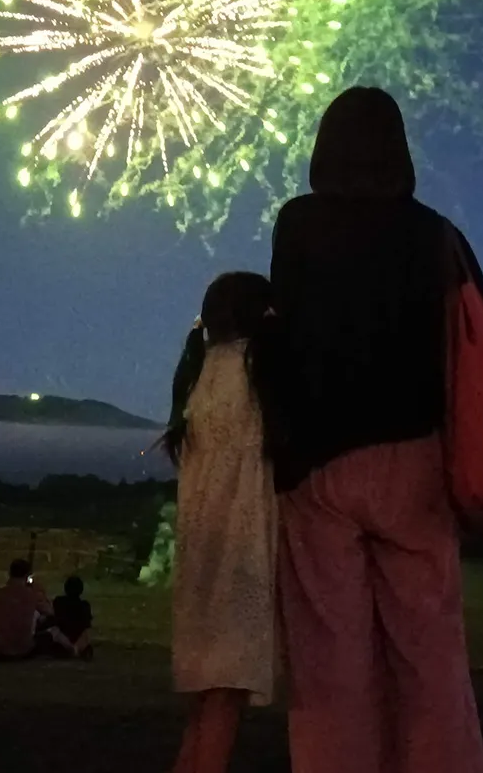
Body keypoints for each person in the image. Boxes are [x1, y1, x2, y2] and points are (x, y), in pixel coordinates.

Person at [270, 87, 483, 773]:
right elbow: (480, 346)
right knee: (431, 657)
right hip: (417, 459)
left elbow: (287, 338)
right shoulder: (437, 236)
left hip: (318, 463)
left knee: (329, 664)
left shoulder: (298, 224)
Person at [164, 272, 285, 773]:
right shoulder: (256, 373)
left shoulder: (198, 374)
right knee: (224, 694)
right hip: (242, 551)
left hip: (200, 551)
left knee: (207, 697)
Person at [0, 558, 70, 659]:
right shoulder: (32, 594)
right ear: (27, 576)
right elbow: (50, 612)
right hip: (24, 650)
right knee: (53, 631)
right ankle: (73, 649)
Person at [52, 576, 94, 659]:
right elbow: (87, 625)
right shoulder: (84, 605)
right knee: (86, 634)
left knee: (54, 632)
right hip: (79, 636)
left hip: (63, 635)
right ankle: (78, 649)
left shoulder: (59, 602)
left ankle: (68, 649)